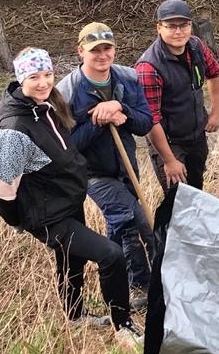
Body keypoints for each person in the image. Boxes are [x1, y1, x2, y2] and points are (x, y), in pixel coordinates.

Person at [0, 47, 141, 346]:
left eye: (48, 75)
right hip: (46, 215)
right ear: (21, 79)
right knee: (111, 255)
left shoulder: (44, 107)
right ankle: (123, 325)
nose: (44, 82)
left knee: (72, 259)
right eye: (34, 77)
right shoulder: (14, 130)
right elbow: (0, 189)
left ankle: (74, 316)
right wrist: (19, 221)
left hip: (64, 203)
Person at [57, 23, 156, 310]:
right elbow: (68, 145)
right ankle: (150, 283)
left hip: (127, 168)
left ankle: (131, 282)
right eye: (94, 50)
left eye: (107, 48)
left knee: (122, 225)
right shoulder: (68, 91)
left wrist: (121, 109)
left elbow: (145, 122)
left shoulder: (127, 78)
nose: (102, 55)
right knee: (139, 222)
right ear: (81, 52)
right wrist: (99, 122)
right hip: (94, 174)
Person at [136, 0, 219, 191]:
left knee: (197, 193)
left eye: (184, 25)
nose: (179, 32)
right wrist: (169, 160)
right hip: (168, 143)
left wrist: (216, 112)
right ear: (159, 27)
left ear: (191, 25)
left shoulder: (196, 46)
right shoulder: (148, 67)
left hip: (196, 136)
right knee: (177, 200)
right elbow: (152, 120)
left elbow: (216, 73)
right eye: (171, 26)